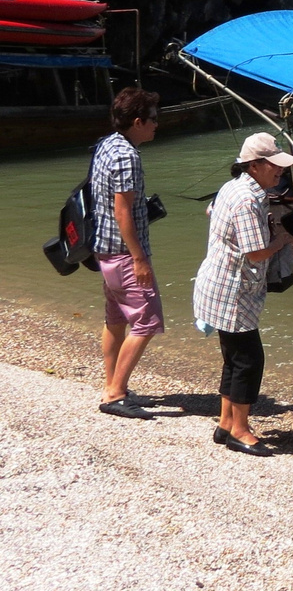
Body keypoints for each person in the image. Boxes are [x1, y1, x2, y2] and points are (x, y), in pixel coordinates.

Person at [192, 133, 293, 456]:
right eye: (274, 166)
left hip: (220, 284)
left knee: (235, 358)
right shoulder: (247, 199)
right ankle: (240, 429)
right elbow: (255, 253)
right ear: (255, 166)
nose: (279, 171)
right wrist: (281, 240)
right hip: (233, 291)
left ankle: (226, 422)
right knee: (249, 360)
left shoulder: (234, 188)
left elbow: (211, 212)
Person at [92, 86, 162, 419]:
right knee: (147, 322)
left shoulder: (107, 145)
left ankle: (112, 385)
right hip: (123, 254)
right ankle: (115, 393)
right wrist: (139, 258)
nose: (155, 125)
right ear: (137, 121)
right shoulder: (127, 155)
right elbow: (122, 211)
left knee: (116, 320)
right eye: (152, 119)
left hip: (104, 252)